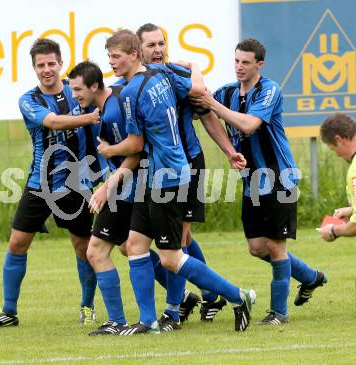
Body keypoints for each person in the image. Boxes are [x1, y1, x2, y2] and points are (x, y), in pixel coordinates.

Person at [98, 29, 256, 334]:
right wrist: (194, 69)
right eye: (109, 57)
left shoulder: (132, 91)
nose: (111, 62)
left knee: (171, 257)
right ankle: (149, 322)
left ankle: (238, 296)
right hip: (159, 174)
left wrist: (109, 150)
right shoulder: (163, 75)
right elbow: (197, 93)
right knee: (134, 245)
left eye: (115, 57)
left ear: (133, 55)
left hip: (167, 177)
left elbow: (134, 144)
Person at [191, 38, 327, 325]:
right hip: (251, 180)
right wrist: (192, 76)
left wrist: (212, 103)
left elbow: (249, 125)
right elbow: (199, 108)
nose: (239, 67)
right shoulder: (227, 92)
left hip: (280, 177)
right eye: (237, 61)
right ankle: (310, 277)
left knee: (276, 247)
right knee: (256, 247)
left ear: (259, 65)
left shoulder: (269, 90)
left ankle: (279, 313)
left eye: (246, 62)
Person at [0, 38, 101, 328]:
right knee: (17, 242)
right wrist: (89, 117)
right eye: (40, 65)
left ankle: (87, 306)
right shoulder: (29, 100)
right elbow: (54, 123)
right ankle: (9, 311)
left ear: (61, 63)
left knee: (83, 247)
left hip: (76, 183)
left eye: (51, 63)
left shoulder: (78, 92)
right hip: (39, 183)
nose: (46, 69)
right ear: (34, 68)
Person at [136, 23, 247, 325]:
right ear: (138, 50)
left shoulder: (176, 75)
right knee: (147, 242)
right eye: (151, 45)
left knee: (178, 240)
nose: (158, 50)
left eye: (161, 43)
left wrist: (228, 151)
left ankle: (174, 310)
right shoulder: (135, 81)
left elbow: (207, 113)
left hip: (188, 166)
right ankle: (210, 296)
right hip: (154, 170)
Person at [68, 60, 141, 335]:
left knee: (98, 251)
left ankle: (119, 321)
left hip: (129, 191)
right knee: (131, 250)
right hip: (123, 189)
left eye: (77, 89)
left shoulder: (112, 112)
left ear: (95, 85)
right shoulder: (108, 104)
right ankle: (179, 301)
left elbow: (136, 151)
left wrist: (107, 185)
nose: (74, 95)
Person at [318, 113, 356, 241]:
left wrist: (333, 231)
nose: (338, 155)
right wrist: (352, 210)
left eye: (333, 149)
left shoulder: (354, 170)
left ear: (339, 139)